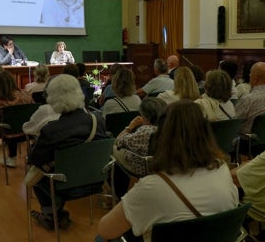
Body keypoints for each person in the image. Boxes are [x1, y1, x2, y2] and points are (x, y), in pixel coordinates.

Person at [98, 100, 239, 242]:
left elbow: (106, 230)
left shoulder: (152, 187)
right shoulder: (222, 168)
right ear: (206, 134)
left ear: (162, 136)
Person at [28, 74, 108, 230]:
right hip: (95, 181)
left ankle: (51, 215)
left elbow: (34, 160)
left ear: (52, 97)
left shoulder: (51, 130)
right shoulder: (97, 120)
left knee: (37, 174)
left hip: (65, 187)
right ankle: (56, 214)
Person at [0, 70, 34, 167]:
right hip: (28, 131)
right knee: (16, 122)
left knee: (7, 124)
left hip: (8, 132)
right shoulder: (24, 94)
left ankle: (12, 158)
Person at [235, 62, 265, 135]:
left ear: (255, 77)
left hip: (246, 142)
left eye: (250, 73)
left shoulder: (248, 99)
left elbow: (234, 123)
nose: (249, 75)